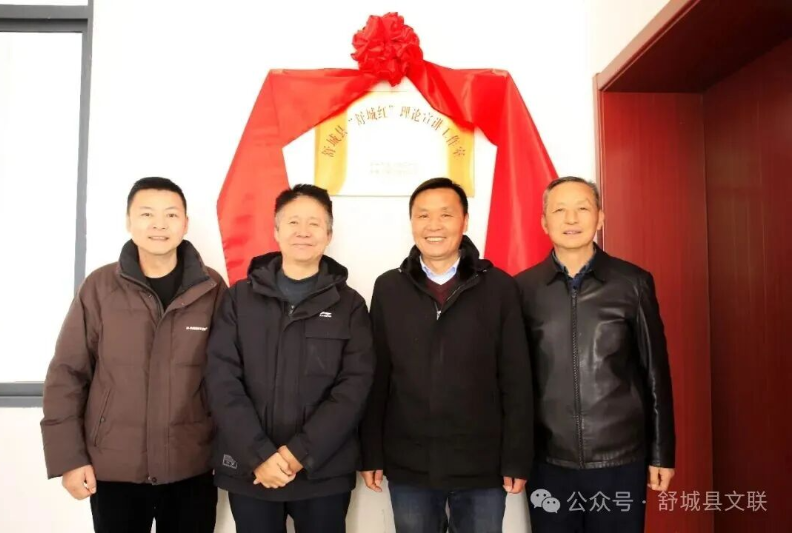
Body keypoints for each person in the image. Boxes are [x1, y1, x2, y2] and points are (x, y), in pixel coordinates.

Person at [41, 177, 226, 533]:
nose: (159, 224)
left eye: (171, 214)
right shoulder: (100, 287)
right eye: (146, 214)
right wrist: (69, 459)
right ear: (129, 221)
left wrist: (229, 454)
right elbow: (67, 374)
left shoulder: (212, 288)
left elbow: (228, 376)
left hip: (191, 465)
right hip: (114, 468)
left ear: (186, 223)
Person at [359, 178, 533, 533]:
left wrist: (517, 457)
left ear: (465, 221)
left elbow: (516, 379)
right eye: (423, 215)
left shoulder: (500, 287)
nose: (434, 225)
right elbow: (377, 376)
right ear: (412, 223)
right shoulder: (389, 288)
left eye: (446, 214)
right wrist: (370, 452)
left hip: (482, 464)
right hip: (409, 463)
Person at [205, 184, 374, 533]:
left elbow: (353, 390)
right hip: (251, 472)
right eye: (293, 222)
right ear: (276, 230)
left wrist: (299, 453)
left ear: (329, 235)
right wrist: (259, 455)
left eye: (314, 223)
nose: (303, 231)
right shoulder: (239, 299)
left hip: (323, 472)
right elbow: (222, 381)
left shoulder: (350, 305)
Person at [516, 176, 676, 532]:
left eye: (583, 208)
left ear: (600, 217)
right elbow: (514, 380)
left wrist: (662, 453)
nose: (571, 219)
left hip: (620, 459)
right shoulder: (522, 289)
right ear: (544, 222)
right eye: (560, 210)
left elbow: (655, 373)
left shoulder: (632, 283)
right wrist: (513, 456)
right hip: (548, 461)